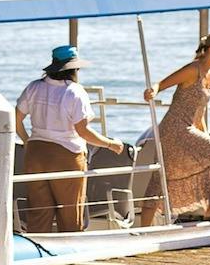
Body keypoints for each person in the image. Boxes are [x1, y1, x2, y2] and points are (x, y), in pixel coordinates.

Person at [16, 44, 131, 232]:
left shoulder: (34, 87)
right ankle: (69, 246)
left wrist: (27, 141)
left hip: (36, 153)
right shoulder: (74, 92)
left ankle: (38, 245)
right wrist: (111, 144)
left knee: (38, 212)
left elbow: (16, 118)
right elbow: (83, 131)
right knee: (70, 213)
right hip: (66, 155)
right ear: (73, 69)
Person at [147, 31, 210, 222]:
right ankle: (143, 230)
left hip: (188, 129)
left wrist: (206, 136)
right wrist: (153, 90)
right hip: (173, 130)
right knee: (160, 181)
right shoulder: (193, 69)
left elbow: (199, 111)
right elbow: (161, 84)